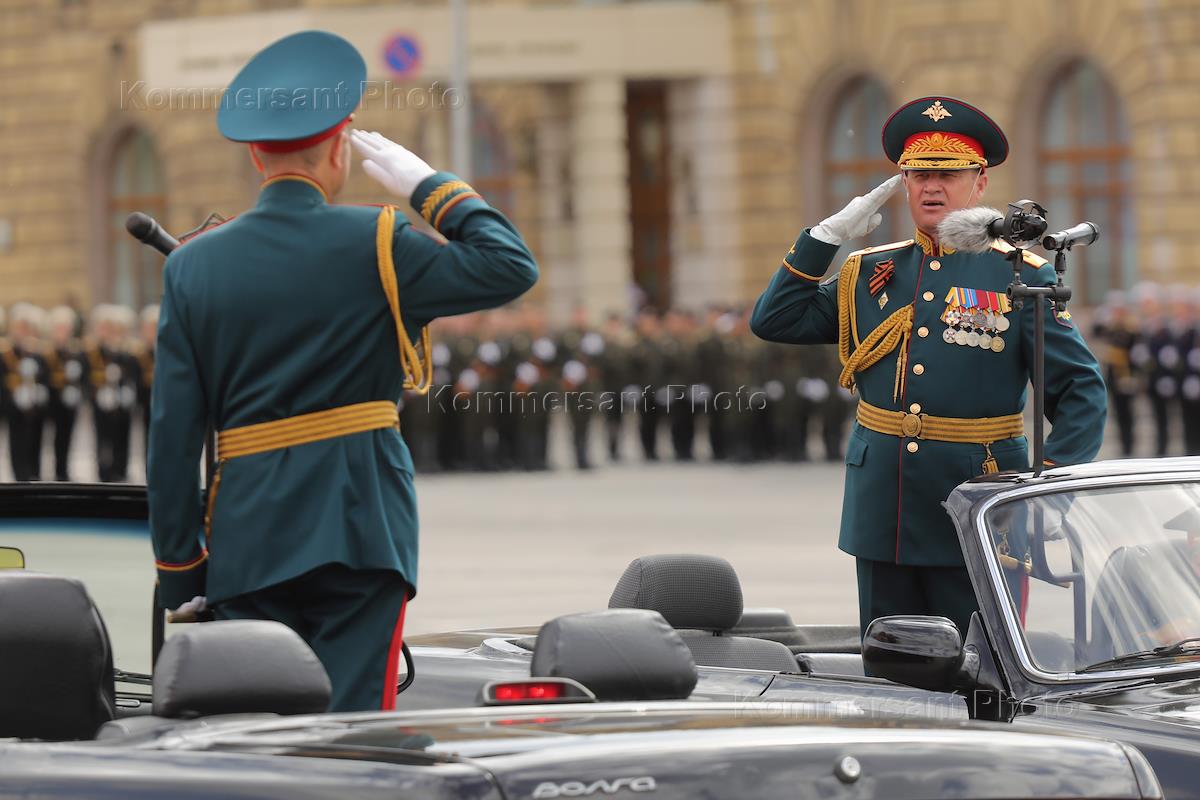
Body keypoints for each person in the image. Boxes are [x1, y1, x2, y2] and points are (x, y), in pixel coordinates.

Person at [147, 30, 538, 712]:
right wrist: (431, 187)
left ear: (253, 155)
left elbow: (172, 441)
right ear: (339, 149)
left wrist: (181, 574)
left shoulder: (192, 266)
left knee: (252, 736)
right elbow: (510, 265)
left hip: (248, 535)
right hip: (361, 526)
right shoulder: (380, 241)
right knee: (354, 739)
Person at [750, 96, 1106, 637]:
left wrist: (1047, 488)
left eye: (947, 173)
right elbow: (775, 319)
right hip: (883, 508)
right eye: (918, 174)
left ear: (979, 182)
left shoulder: (1018, 274)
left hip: (977, 504)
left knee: (980, 672)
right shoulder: (873, 270)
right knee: (890, 665)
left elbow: (1081, 387)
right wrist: (823, 239)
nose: (931, 187)